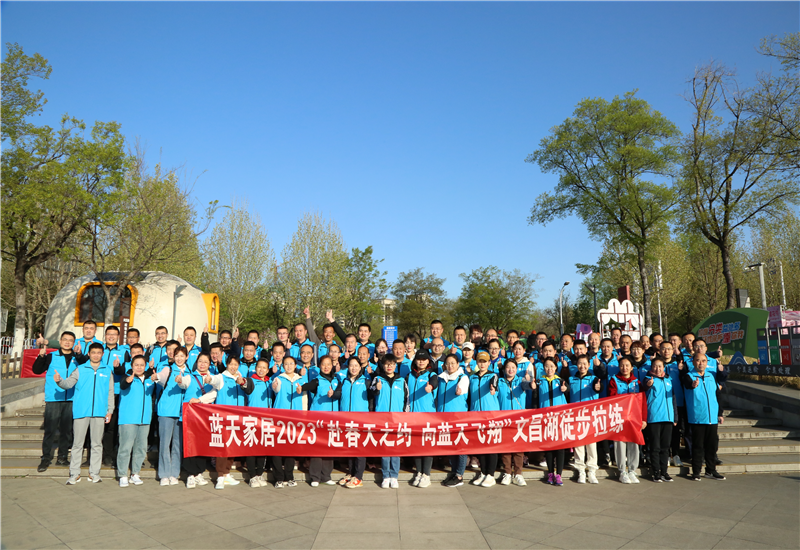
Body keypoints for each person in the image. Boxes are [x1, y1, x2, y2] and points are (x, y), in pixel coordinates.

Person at [55, 342, 114, 485]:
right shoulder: (80, 369)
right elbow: (68, 384)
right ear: (88, 354)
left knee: (97, 444)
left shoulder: (107, 371)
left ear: (102, 354)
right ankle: (74, 474)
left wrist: (110, 411)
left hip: (99, 412)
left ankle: (94, 473)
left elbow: (110, 392)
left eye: (98, 353)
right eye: (93, 352)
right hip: (81, 412)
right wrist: (59, 381)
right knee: (77, 444)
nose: (96, 355)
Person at [32, 332, 79, 472]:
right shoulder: (51, 356)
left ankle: (62, 457)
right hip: (53, 399)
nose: (67, 342)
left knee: (66, 431)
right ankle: (45, 458)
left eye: (70, 340)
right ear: (60, 341)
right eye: (65, 339)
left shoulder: (77, 358)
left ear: (74, 343)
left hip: (71, 399)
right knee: (50, 430)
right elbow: (36, 370)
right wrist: (41, 357)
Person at [681, 353, 726, 481]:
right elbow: (688, 384)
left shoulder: (711, 376)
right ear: (693, 362)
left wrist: (720, 413)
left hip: (712, 418)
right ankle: (696, 472)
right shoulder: (688, 376)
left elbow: (718, 396)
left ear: (707, 363)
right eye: (698, 360)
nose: (701, 363)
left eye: (703, 361)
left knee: (711, 446)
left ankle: (711, 470)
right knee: (698, 446)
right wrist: (693, 385)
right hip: (697, 417)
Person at [182, 352, 223, 488]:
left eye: (205, 362)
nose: (202, 364)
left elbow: (214, 394)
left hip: (204, 416)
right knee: (190, 444)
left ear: (209, 364)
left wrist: (199, 400)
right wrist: (179, 380)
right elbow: (183, 383)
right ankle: (190, 474)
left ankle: (199, 472)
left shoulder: (213, 378)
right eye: (200, 361)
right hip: (190, 415)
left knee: (202, 445)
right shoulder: (190, 376)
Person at [116, 355, 157, 487]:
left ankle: (135, 473)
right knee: (125, 448)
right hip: (128, 419)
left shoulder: (150, 379)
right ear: (131, 366)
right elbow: (123, 385)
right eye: (136, 365)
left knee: (141, 448)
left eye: (141, 365)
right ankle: (123, 475)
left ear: (145, 366)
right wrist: (128, 381)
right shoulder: (127, 377)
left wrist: (156, 378)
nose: (139, 367)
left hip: (144, 419)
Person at [298, 355, 339, 487]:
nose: (326, 367)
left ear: (332, 365)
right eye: (323, 364)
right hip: (318, 420)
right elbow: (307, 386)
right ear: (319, 366)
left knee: (329, 448)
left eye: (328, 364)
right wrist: (301, 388)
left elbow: (340, 394)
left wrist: (334, 394)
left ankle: (326, 476)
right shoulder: (317, 381)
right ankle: (315, 477)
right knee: (317, 448)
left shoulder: (337, 380)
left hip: (332, 420)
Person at [369, 355, 409, 489]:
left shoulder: (401, 381)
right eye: (386, 364)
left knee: (396, 449)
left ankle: (394, 476)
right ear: (383, 365)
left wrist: (405, 416)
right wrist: (377, 389)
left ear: (395, 365)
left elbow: (407, 400)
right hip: (382, 420)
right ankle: (386, 476)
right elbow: (371, 393)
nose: (389, 366)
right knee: (385, 448)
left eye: (392, 364)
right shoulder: (377, 379)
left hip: (397, 420)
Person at [154, 346, 192, 486]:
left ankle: (174, 473)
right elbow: (160, 376)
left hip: (182, 413)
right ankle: (164, 474)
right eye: (177, 356)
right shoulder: (168, 369)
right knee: (164, 444)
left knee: (178, 445)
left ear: (187, 357)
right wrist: (156, 377)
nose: (179, 358)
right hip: (166, 412)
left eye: (182, 356)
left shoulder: (190, 373)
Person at [214, 355, 254, 489]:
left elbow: (248, 389)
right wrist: (209, 379)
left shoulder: (240, 378)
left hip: (237, 419)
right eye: (231, 364)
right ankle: (220, 476)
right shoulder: (221, 377)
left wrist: (242, 383)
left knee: (232, 446)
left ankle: (226, 473)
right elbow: (213, 380)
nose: (233, 367)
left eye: (235, 364)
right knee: (222, 448)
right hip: (224, 419)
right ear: (226, 364)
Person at [332, 357, 369, 488]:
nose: (353, 368)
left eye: (356, 365)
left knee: (359, 449)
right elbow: (338, 394)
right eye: (351, 365)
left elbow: (373, 396)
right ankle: (351, 473)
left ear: (360, 367)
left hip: (361, 420)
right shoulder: (344, 382)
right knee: (350, 448)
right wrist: (332, 393)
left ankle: (358, 476)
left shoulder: (366, 381)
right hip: (346, 420)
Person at [270, 356, 307, 488]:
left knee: (291, 448)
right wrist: (274, 387)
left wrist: (304, 416)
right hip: (279, 419)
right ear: (283, 366)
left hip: (295, 419)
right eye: (286, 364)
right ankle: (279, 478)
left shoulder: (301, 380)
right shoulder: (278, 379)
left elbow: (304, 399)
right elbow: (275, 388)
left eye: (291, 363)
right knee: (277, 448)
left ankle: (289, 476)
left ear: (295, 365)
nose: (289, 366)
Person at [608, 357, 646, 484]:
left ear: (631, 367)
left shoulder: (637, 382)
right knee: (620, 444)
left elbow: (643, 402)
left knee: (633, 443)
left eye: (627, 365)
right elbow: (612, 398)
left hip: (634, 419)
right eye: (622, 365)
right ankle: (622, 471)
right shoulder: (614, 380)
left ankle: (632, 470)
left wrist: (644, 419)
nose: (624, 368)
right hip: (619, 417)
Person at [568, 354, 603, 484]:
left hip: (590, 416)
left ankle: (592, 470)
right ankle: (581, 470)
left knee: (591, 444)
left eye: (584, 363)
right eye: (579, 363)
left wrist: (598, 388)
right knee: (578, 444)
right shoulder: (571, 379)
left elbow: (599, 388)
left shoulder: (594, 379)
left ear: (589, 365)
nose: (582, 366)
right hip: (576, 416)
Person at [436, 353, 470, 488]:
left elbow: (462, 389)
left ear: (458, 364)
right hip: (444, 418)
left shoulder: (462, 377)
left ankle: (459, 475)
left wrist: (459, 391)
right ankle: (454, 471)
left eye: (453, 363)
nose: (450, 366)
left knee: (460, 447)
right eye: (448, 363)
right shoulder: (441, 378)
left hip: (458, 418)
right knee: (450, 446)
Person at [406, 350, 438, 488]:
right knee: (417, 446)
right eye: (419, 359)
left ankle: (427, 474)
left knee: (427, 446)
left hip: (428, 416)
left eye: (424, 359)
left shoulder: (431, 374)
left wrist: (430, 386)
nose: (421, 362)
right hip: (413, 416)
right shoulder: (409, 376)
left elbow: (434, 382)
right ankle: (419, 472)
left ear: (428, 361)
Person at [643, 357, 677, 482]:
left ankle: (664, 472)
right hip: (654, 418)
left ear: (664, 367)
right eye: (655, 366)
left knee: (665, 447)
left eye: (660, 366)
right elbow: (645, 387)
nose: (657, 369)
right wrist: (648, 385)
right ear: (651, 367)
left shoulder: (669, 380)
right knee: (655, 447)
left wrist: (675, 417)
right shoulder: (648, 379)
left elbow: (673, 399)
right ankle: (656, 472)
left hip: (668, 418)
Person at [469, 351, 500, 488]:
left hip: (491, 415)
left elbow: (494, 384)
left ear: (489, 363)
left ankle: (491, 475)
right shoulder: (472, 377)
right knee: (481, 445)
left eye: (485, 362)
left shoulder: (493, 375)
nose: (482, 364)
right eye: (480, 361)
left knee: (491, 446)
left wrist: (493, 389)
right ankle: (483, 472)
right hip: (476, 415)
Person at [497, 359, 529, 486]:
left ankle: (518, 474)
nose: (511, 370)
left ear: (516, 369)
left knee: (518, 447)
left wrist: (530, 382)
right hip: (504, 419)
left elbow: (528, 386)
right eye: (508, 367)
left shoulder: (521, 380)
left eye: (513, 367)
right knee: (506, 447)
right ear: (504, 369)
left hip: (518, 419)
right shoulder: (499, 381)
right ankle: (507, 473)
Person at [535, 357, 568, 486]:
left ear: (556, 367)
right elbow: (535, 399)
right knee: (548, 447)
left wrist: (565, 389)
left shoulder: (560, 381)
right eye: (547, 366)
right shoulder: (539, 381)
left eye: (552, 366)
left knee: (559, 447)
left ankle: (559, 474)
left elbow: (568, 390)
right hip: (545, 418)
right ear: (543, 368)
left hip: (559, 418)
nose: (549, 369)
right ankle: (550, 472)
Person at [245, 359, 272, 488]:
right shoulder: (251, 381)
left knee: (262, 448)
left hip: (266, 420)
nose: (261, 370)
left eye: (264, 368)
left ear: (267, 370)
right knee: (251, 448)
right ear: (255, 368)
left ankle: (259, 473)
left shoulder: (270, 382)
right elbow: (245, 385)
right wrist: (242, 382)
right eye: (259, 367)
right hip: (252, 419)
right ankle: (252, 476)